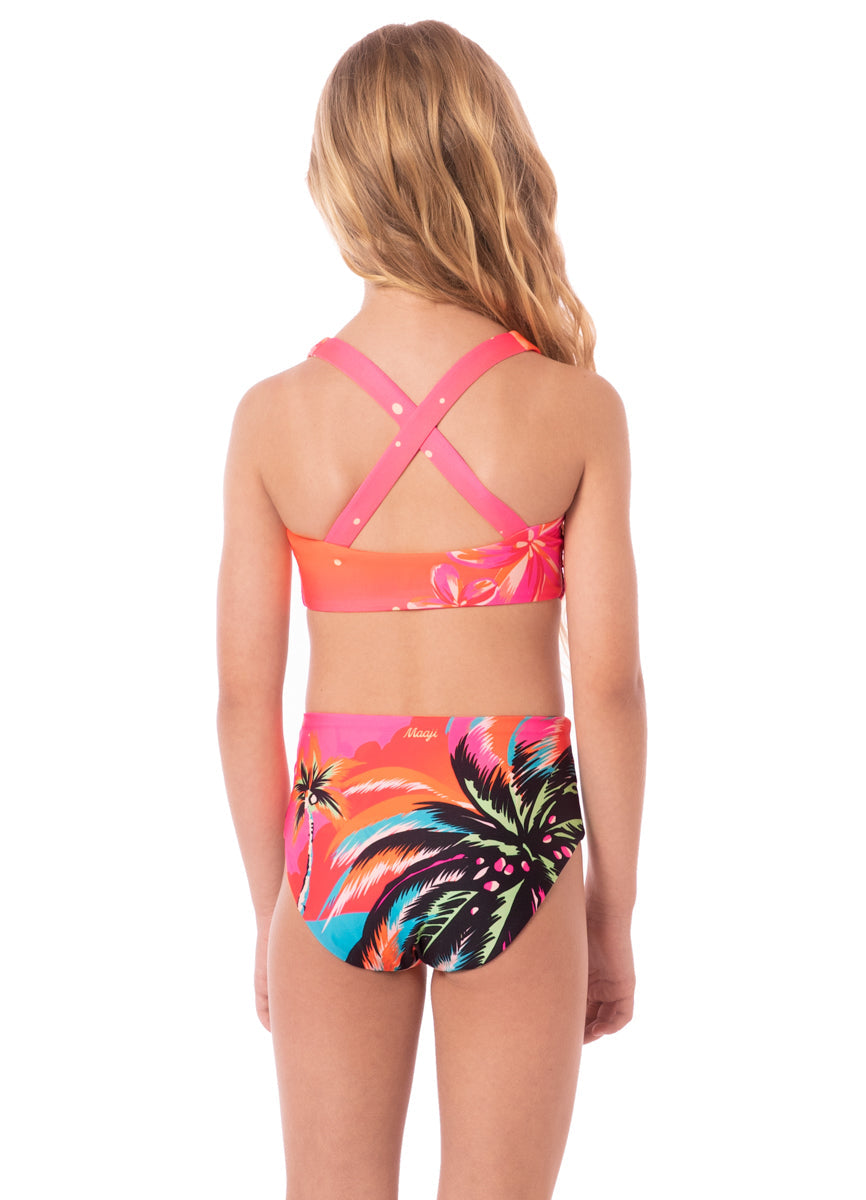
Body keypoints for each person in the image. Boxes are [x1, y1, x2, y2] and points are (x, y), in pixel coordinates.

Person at [217, 20, 646, 1200]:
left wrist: (276, 908)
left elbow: (242, 697)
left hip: (339, 825)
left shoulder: (272, 418)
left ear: (338, 181)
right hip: (511, 815)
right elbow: (609, 685)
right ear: (494, 163)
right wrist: (609, 915)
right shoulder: (576, 410)